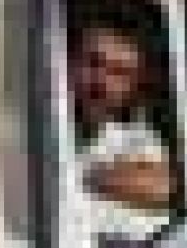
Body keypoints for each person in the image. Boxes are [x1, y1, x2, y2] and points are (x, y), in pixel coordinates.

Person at [72, 21, 173, 216]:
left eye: (120, 73)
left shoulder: (131, 137)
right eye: (94, 63)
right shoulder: (30, 124)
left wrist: (84, 176)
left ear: (134, 87)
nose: (102, 82)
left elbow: (163, 188)